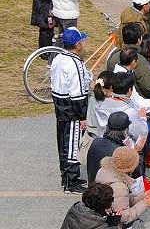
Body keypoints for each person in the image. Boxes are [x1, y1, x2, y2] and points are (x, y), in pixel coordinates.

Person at [51, 27, 92, 193]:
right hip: (72, 108)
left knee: (63, 142)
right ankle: (71, 181)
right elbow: (78, 93)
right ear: (77, 44)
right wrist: (83, 116)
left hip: (60, 104)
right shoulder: (75, 63)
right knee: (73, 144)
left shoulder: (58, 58)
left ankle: (66, 177)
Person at [95, 147, 150, 226]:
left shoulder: (103, 170)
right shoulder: (119, 187)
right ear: (130, 166)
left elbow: (123, 199)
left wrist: (142, 196)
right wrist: (145, 203)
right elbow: (124, 217)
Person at [87, 110, 129, 183]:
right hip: (110, 192)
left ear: (107, 127)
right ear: (125, 130)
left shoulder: (96, 142)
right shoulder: (120, 151)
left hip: (92, 189)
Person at [86, 70, 115, 145]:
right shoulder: (106, 103)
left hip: (90, 134)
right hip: (101, 137)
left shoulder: (91, 97)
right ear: (110, 88)